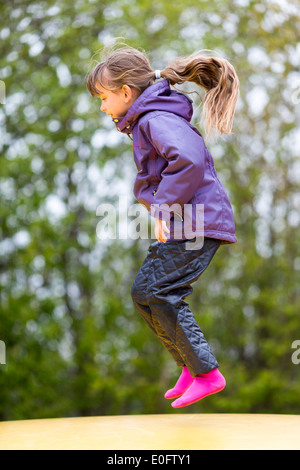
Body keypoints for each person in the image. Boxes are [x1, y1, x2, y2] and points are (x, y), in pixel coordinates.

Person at [86, 44, 239, 408]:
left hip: (197, 223)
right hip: (187, 222)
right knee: (144, 293)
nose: (103, 107)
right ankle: (189, 365)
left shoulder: (156, 119)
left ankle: (207, 373)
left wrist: (162, 211)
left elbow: (187, 160)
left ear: (126, 92)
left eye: (104, 98)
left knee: (159, 292)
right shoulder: (147, 119)